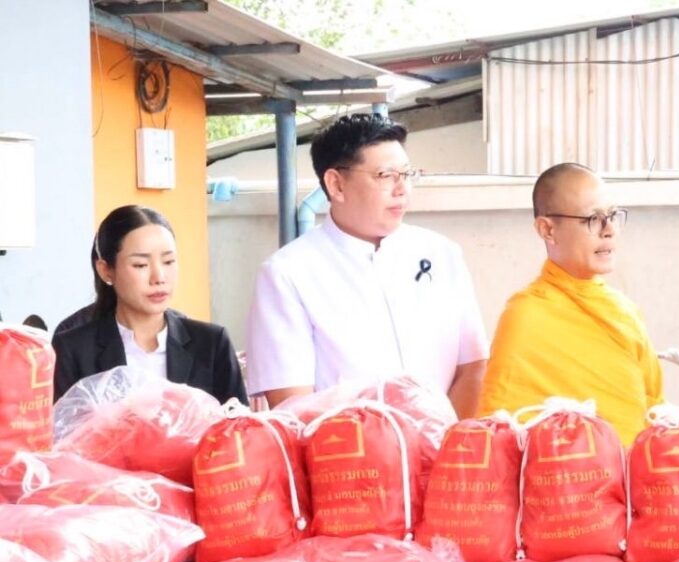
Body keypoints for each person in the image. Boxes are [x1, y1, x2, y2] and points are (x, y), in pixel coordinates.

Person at [245, 113, 488, 416]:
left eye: (407, 174)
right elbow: (292, 404)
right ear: (336, 184)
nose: (402, 189)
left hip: (446, 440)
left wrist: (444, 437)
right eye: (385, 175)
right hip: (345, 445)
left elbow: (473, 367)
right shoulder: (287, 274)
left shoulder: (442, 254)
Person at [478, 163, 664, 445]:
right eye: (593, 218)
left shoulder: (625, 313)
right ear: (547, 229)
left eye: (613, 216)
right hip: (557, 471)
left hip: (630, 471)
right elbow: (499, 432)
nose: (609, 230)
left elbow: (654, 412)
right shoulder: (526, 317)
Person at [52, 205, 248, 405]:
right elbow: (64, 421)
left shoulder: (211, 344)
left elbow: (238, 421)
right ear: (106, 270)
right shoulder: (73, 350)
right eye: (140, 265)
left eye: (168, 262)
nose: (159, 277)